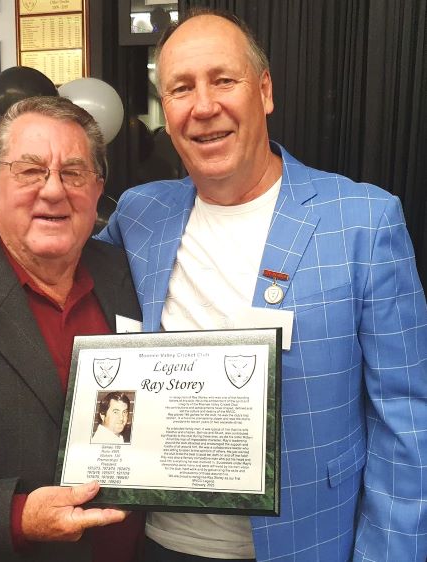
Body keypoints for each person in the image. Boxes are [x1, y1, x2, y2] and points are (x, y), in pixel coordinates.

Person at [97, 8, 427, 562]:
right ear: (166, 108)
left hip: (310, 542)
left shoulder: (364, 220)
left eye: (223, 80)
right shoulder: (139, 214)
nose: (204, 106)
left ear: (265, 91)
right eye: (181, 88)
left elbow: (409, 416)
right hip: (159, 543)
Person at [0, 95, 144, 561]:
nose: (53, 191)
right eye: (30, 171)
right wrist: (15, 516)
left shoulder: (132, 279)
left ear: (96, 190)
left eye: (73, 173)